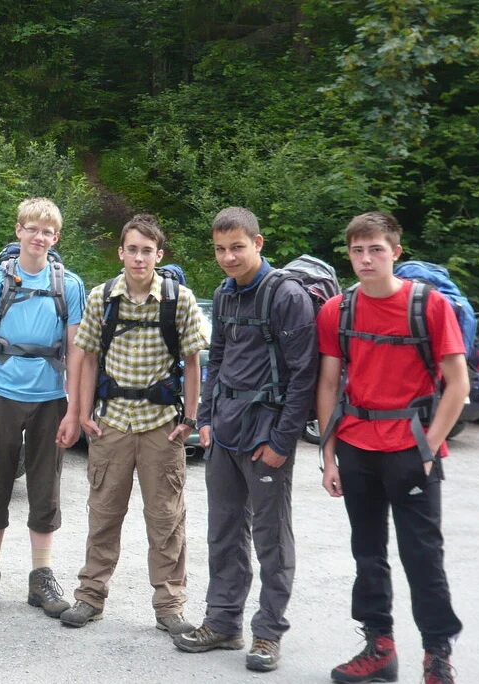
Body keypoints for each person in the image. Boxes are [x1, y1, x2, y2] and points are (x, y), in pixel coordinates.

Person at [316, 212, 464, 684]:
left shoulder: (431, 306)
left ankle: (437, 656)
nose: (366, 258)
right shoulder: (337, 310)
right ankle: (379, 647)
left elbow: (458, 385)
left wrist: (430, 447)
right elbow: (328, 384)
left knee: (423, 556)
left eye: (376, 249)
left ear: (395, 252)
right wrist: (327, 455)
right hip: (357, 447)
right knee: (368, 553)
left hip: (411, 449)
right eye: (357, 250)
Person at [173, 207, 317, 672]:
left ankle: (268, 634)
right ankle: (223, 623)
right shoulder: (225, 293)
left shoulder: (286, 296)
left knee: (272, 539)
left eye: (237, 246)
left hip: (265, 436)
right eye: (220, 248)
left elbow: (303, 377)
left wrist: (282, 441)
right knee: (224, 532)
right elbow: (217, 359)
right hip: (226, 434)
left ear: (258, 243)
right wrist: (207, 419)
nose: (228, 256)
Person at [61, 214, 209, 634]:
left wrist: (191, 420)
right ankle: (90, 597)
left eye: (147, 250)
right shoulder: (101, 297)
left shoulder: (179, 299)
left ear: (158, 255)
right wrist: (85, 413)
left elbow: (193, 361)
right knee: (104, 514)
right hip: (112, 424)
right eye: (132, 249)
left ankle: (169, 607)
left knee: (166, 518)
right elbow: (87, 357)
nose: (139, 257)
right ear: (121, 252)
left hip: (161, 425)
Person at [0, 197, 85, 617]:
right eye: (31, 228)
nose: (38, 236)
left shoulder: (70, 285)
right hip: (3, 395)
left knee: (45, 487)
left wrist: (74, 410)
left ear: (56, 237)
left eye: (46, 231)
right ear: (18, 231)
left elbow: (76, 351)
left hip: (51, 399)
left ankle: (41, 578)